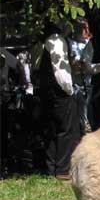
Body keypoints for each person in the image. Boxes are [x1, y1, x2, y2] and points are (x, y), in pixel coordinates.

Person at [36, 20, 83, 180]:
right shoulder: (56, 39)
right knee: (65, 130)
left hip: (46, 90)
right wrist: (69, 90)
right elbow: (60, 69)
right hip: (59, 92)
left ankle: (51, 168)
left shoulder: (42, 39)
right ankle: (62, 169)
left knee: (52, 130)